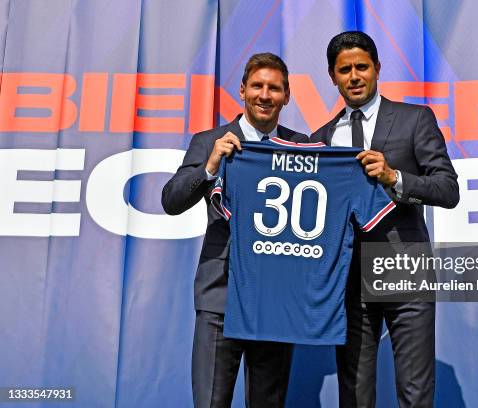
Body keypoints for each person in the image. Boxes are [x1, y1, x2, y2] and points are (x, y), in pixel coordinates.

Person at [311, 31, 459, 407]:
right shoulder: (320, 139)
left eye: (362, 67)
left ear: (377, 69)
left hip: (405, 268)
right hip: (347, 280)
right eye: (345, 70)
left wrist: (395, 177)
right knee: (354, 395)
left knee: (415, 393)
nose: (355, 76)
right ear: (333, 76)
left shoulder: (414, 119)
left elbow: (447, 189)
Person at [162, 53, 307, 408]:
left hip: (275, 300)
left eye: (274, 88)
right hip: (219, 295)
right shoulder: (209, 140)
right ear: (242, 91)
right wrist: (210, 166)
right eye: (257, 86)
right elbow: (172, 201)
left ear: (287, 96)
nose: (265, 95)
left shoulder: (303, 146)